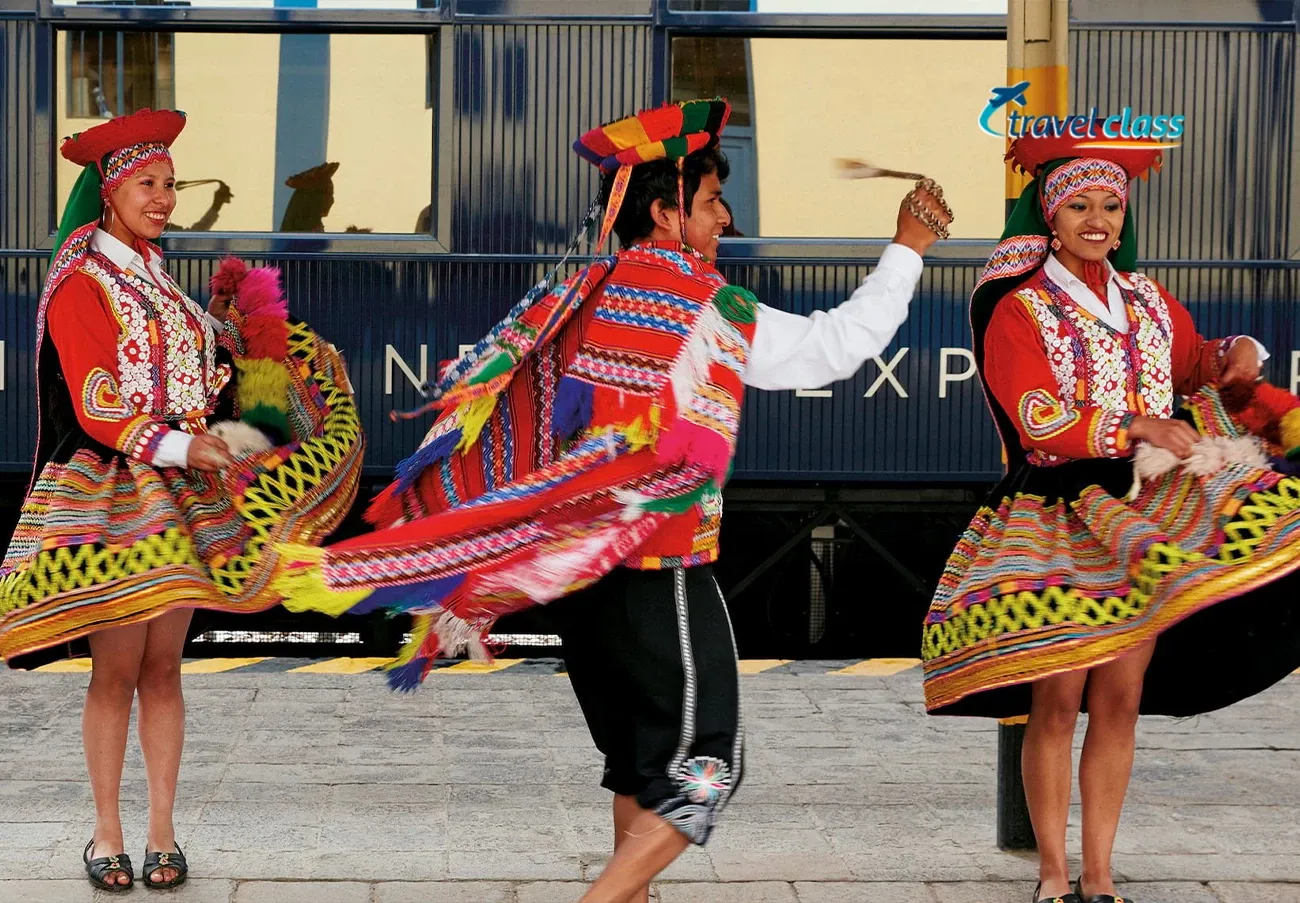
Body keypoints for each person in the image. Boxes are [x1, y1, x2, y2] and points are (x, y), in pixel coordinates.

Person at [275, 97, 951, 903]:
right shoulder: (702, 302)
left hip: (583, 574)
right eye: (709, 202)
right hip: (660, 565)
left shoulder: (583, 288)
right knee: (706, 768)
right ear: (665, 212)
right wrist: (907, 250)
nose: (725, 218)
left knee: (637, 760)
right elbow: (834, 347)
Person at [920, 131, 1300, 903]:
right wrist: (1135, 425)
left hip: (1146, 513)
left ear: (1124, 219)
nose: (1099, 220)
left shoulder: (1150, 299)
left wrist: (1238, 356)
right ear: (1051, 221)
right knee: (1055, 702)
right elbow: (1036, 417)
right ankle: (1052, 877)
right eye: (1081, 206)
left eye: (1111, 207)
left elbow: (1198, 363)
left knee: (1119, 700)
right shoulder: (1018, 309)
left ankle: (1100, 874)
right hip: (1061, 512)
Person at [0, 109, 365, 891]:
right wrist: (184, 444)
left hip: (184, 493)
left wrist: (263, 345)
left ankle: (162, 831)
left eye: (169, 184)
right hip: (116, 494)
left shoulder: (162, 284)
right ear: (110, 192)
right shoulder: (82, 284)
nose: (163, 198)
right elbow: (98, 401)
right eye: (146, 184)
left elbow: (220, 387)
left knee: (164, 667)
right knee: (115, 670)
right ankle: (107, 835)